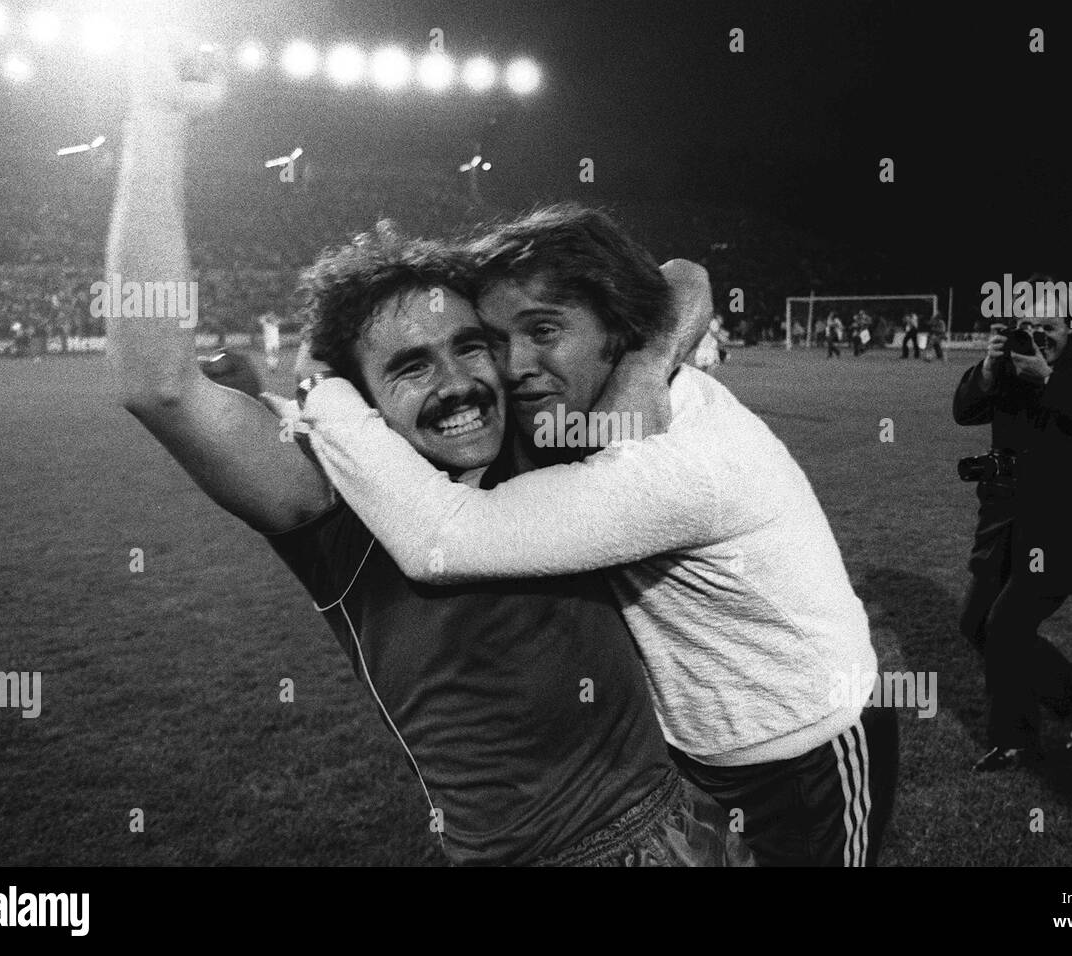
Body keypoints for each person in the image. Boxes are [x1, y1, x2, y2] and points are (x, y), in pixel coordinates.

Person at [104, 22, 722, 867]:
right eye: (411, 367)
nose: (459, 384)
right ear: (357, 401)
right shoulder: (330, 500)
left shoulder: (547, 430)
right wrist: (156, 114)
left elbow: (684, 277)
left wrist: (648, 366)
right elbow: (158, 383)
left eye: (469, 347)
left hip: (679, 821)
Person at [299, 204, 899, 866]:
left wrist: (326, 392)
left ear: (620, 327)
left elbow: (442, 540)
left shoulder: (675, 463)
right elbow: (682, 273)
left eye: (545, 330)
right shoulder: (597, 405)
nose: (516, 366)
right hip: (703, 755)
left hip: (807, 748)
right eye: (497, 340)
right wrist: (650, 358)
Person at [952, 289, 1072, 771]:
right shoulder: (1012, 365)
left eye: (1048, 328)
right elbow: (964, 410)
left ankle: (1015, 740)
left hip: (1063, 526)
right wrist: (989, 371)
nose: (1037, 337)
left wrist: (1050, 380)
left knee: (1006, 626)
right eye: (1028, 328)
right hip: (1006, 520)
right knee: (975, 622)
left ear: (1070, 329)